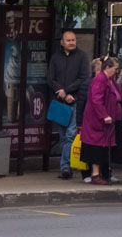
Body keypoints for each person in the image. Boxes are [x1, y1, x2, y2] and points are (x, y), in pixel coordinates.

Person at [47, 30, 89, 180]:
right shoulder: (55, 58)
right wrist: (61, 91)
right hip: (59, 102)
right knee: (63, 136)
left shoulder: (82, 57)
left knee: (71, 135)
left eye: (73, 40)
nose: (71, 42)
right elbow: (50, 78)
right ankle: (67, 165)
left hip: (74, 100)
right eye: (68, 40)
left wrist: (69, 92)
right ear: (62, 42)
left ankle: (65, 168)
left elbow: (83, 78)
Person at [81, 56, 122, 185]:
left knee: (104, 147)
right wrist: (104, 115)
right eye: (115, 69)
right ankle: (95, 174)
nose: (117, 71)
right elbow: (96, 99)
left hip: (107, 120)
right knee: (96, 146)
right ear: (108, 68)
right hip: (98, 120)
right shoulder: (100, 80)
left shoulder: (110, 80)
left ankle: (103, 173)